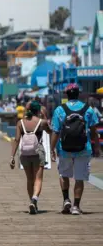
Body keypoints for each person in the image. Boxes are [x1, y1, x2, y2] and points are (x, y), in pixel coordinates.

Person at [50, 83, 99, 215]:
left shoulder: (60, 110)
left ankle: (66, 199)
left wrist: (51, 149)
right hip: (83, 149)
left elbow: (55, 131)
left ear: (67, 95)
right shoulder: (88, 110)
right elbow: (94, 131)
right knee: (79, 178)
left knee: (63, 175)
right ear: (78, 94)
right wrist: (97, 147)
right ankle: (76, 206)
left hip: (64, 149)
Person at [10, 101, 52, 214]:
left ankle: (31, 201)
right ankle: (34, 199)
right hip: (38, 152)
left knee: (29, 179)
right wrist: (44, 118)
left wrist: (12, 157)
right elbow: (51, 131)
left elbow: (17, 140)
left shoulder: (20, 123)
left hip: (25, 153)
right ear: (38, 110)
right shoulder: (42, 122)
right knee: (38, 178)